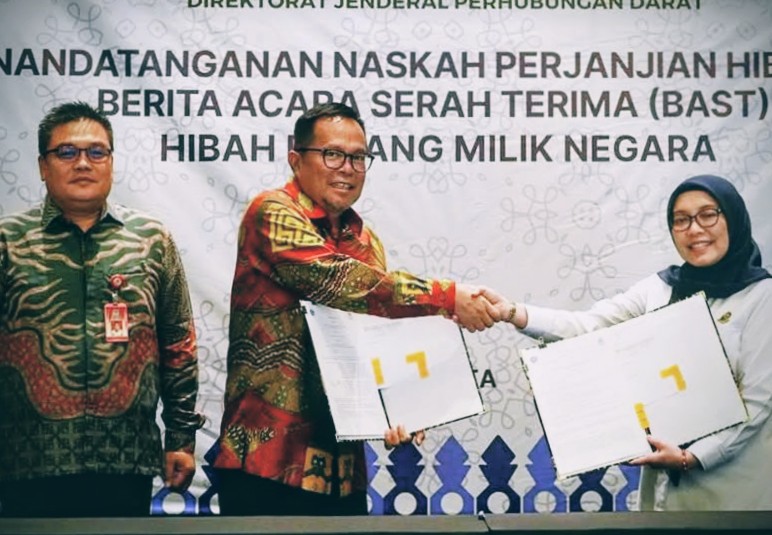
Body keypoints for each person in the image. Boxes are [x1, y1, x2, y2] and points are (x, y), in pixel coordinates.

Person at [212, 102, 497, 516]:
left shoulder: (365, 240)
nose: (347, 168)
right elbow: (341, 282)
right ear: (296, 159)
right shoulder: (272, 213)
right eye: (332, 154)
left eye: (358, 157)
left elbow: (377, 337)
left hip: (340, 469)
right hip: (265, 461)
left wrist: (403, 408)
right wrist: (448, 298)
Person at [482, 174, 772, 511]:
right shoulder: (661, 288)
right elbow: (588, 326)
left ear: (733, 219)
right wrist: (513, 312)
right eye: (681, 220)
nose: (694, 229)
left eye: (708, 214)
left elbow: (758, 401)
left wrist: (690, 457)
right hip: (661, 492)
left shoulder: (762, 296)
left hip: (735, 495)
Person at [0, 101, 204, 517]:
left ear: (111, 162)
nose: (83, 163)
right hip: (27, 459)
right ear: (42, 166)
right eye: (67, 152)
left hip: (125, 459)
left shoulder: (151, 240)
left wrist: (181, 438)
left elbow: (178, 343)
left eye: (96, 151)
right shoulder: (8, 241)